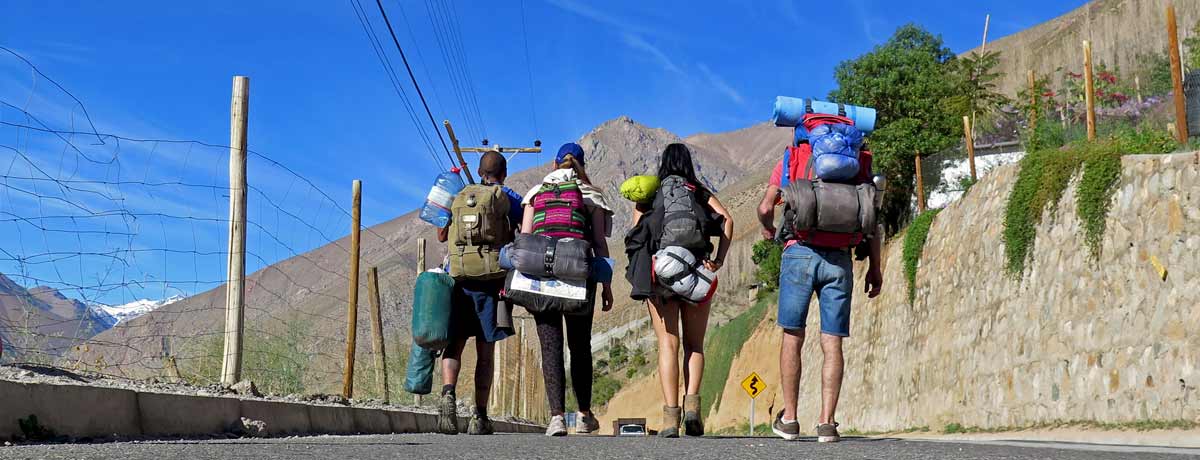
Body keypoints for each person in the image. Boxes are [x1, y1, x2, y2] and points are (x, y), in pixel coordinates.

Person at [756, 134, 883, 443]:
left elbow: (764, 207)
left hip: (799, 250)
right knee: (832, 342)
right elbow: (872, 218)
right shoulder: (858, 163)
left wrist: (768, 227)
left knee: (792, 335)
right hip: (840, 257)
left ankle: (790, 419)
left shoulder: (792, 159)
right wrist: (876, 269)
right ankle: (827, 424)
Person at [627, 143, 733, 438]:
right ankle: (693, 411)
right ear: (688, 164)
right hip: (696, 271)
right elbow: (728, 220)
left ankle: (671, 418)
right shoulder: (697, 190)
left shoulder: (650, 193)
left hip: (661, 275)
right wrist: (719, 260)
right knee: (695, 345)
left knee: (668, 343)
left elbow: (635, 234)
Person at [520, 142, 615, 437]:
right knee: (579, 347)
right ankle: (584, 415)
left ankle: (556, 418)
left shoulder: (535, 194)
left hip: (541, 280)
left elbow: (525, 238)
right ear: (582, 165)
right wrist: (606, 286)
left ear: (554, 163)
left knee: (551, 348)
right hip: (578, 280)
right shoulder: (591, 196)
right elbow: (599, 244)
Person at [435, 150, 524, 436]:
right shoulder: (505, 197)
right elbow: (523, 228)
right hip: (492, 282)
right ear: (504, 173)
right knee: (485, 352)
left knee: (455, 345)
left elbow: (440, 234)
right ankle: (480, 416)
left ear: (479, 170)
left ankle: (448, 395)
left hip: (459, 280)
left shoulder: (459, 195)